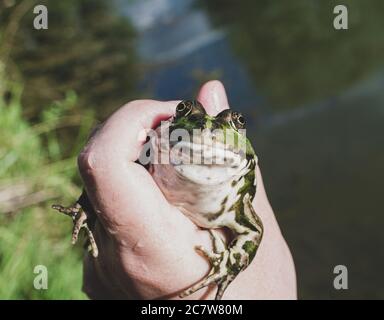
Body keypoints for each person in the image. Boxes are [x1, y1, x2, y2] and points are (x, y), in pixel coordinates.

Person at [79, 80, 297, 299]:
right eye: (184, 111)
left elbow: (251, 231)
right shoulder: (150, 151)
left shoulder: (237, 201)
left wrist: (227, 273)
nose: (208, 129)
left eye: (237, 122)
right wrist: (87, 203)